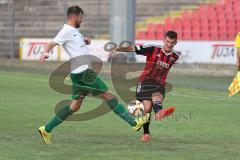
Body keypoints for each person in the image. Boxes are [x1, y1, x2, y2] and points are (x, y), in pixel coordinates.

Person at [38, 5, 149, 144]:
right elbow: (51, 43)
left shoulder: (74, 31)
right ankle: (134, 123)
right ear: (75, 16)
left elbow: (75, 43)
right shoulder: (66, 30)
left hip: (78, 73)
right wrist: (45, 52)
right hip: (84, 73)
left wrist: (85, 40)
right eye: (81, 17)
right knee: (110, 97)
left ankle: (46, 129)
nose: (82, 20)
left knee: (75, 106)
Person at [112, 30, 180, 142]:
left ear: (175, 43)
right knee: (147, 108)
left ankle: (159, 113)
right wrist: (118, 49)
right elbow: (132, 48)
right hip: (145, 81)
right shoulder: (153, 49)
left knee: (157, 97)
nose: (169, 45)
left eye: (172, 42)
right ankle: (146, 133)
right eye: (167, 41)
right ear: (164, 40)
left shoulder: (175, 57)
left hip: (159, 83)